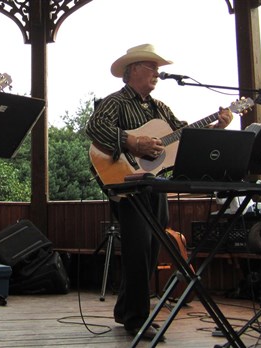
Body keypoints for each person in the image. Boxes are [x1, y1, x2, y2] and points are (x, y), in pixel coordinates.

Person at [85, 43, 233, 340]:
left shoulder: (159, 108)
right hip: (127, 184)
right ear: (132, 71)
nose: (157, 73)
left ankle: (127, 310)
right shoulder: (116, 101)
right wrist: (132, 143)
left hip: (156, 185)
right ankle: (138, 319)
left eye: (157, 68)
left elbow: (185, 137)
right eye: (151, 67)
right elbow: (95, 127)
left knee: (151, 248)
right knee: (138, 249)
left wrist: (217, 127)